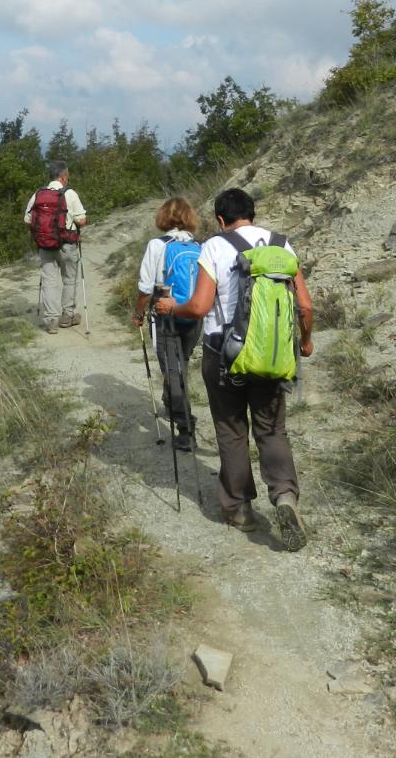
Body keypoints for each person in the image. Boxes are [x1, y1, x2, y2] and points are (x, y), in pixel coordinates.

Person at [154, 187, 314, 550]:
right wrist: (305, 342)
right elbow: (304, 305)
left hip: (224, 356)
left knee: (231, 431)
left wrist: (169, 310)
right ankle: (285, 495)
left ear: (222, 219)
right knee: (272, 431)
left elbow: (197, 307)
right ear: (253, 215)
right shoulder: (281, 245)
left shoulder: (215, 245)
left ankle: (240, 509)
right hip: (272, 356)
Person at [133, 198, 202, 451]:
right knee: (179, 364)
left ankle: (185, 429)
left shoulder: (157, 245)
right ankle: (171, 401)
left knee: (173, 372)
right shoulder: (199, 245)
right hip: (194, 315)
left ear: (163, 217)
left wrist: (138, 313)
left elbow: (144, 286)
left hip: (167, 315)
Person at [23, 160, 88, 334]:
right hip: (67, 244)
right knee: (69, 279)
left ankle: (51, 320)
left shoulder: (38, 194)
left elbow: (27, 220)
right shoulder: (70, 194)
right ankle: (67, 316)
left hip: (45, 245)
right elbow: (81, 220)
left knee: (49, 281)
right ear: (63, 177)